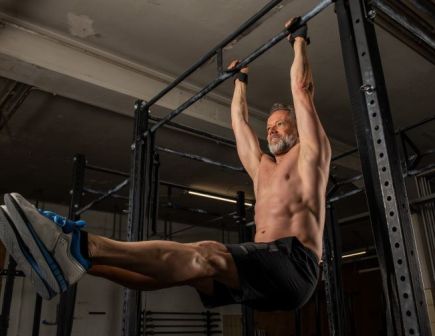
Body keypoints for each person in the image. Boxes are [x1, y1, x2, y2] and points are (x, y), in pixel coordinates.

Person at [0, 18, 330, 311]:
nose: (271, 129)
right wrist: (239, 83)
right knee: (189, 271)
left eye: (280, 124)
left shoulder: (310, 157)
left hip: (294, 266)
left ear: (299, 130)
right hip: (263, 264)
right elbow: (240, 127)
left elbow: (302, 91)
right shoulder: (262, 168)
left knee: (207, 253)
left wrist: (298, 42)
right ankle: (72, 266)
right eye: (269, 125)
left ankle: (78, 244)